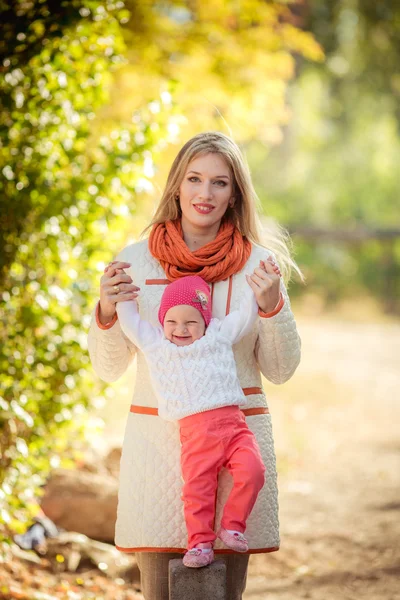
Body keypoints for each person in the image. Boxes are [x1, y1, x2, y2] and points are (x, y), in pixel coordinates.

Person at [87, 131, 301, 600]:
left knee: (224, 592)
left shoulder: (259, 266)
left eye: (220, 183)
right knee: (161, 591)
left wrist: (270, 306)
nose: (205, 194)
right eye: (195, 179)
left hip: (235, 446)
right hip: (158, 451)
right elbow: (108, 369)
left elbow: (282, 369)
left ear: (235, 194)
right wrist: (104, 313)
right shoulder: (133, 262)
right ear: (176, 187)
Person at [116, 274, 267, 568]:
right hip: (196, 434)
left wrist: (254, 289)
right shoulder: (158, 345)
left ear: (205, 321)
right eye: (171, 322)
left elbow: (246, 317)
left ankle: (233, 525)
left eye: (191, 322)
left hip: (235, 426)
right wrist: (123, 298)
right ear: (162, 322)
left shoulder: (218, 335)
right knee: (197, 491)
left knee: (254, 471)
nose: (180, 329)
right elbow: (131, 324)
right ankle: (199, 544)